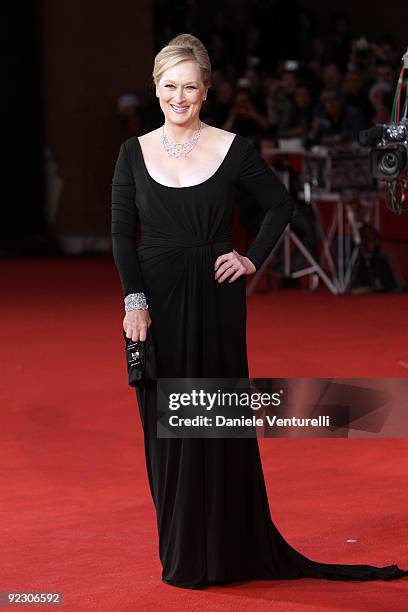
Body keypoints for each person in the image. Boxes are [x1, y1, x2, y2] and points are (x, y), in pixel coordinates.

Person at [111, 33, 408, 590]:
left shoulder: (232, 148)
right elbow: (121, 236)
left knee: (215, 423)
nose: (180, 97)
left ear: (205, 92)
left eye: (190, 88)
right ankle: (181, 553)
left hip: (216, 300)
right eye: (170, 87)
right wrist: (134, 300)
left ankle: (225, 552)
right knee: (167, 430)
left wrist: (250, 260)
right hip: (155, 305)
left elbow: (279, 205)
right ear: (156, 89)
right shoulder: (133, 152)